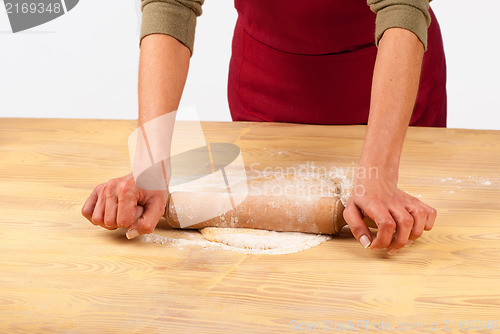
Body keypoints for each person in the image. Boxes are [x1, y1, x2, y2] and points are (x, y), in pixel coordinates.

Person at [82, 0, 442, 255]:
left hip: (389, 75)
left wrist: (378, 173)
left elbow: (402, 6)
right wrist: (151, 163)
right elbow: (172, 4)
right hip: (268, 78)